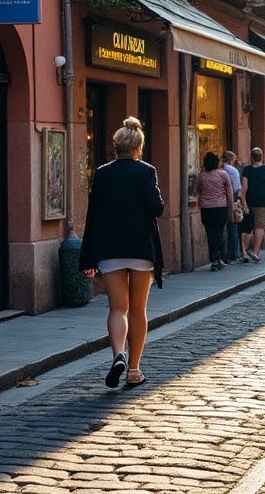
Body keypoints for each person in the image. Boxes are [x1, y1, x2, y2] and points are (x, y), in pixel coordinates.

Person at [79, 117, 163, 390]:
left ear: (115, 148)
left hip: (110, 249)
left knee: (118, 308)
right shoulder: (146, 171)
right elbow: (157, 208)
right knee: (138, 310)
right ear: (139, 147)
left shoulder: (102, 174)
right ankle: (135, 370)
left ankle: (118, 355)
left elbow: (92, 216)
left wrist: (88, 257)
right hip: (140, 248)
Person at [193, 151, 234, 271]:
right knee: (220, 233)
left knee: (210, 234)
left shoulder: (201, 176)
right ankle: (220, 257)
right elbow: (229, 192)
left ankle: (214, 259)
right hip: (221, 207)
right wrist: (231, 206)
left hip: (207, 209)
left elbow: (197, 190)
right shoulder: (223, 174)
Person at [241, 147, 265, 263]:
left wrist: (243, 202)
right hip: (263, 202)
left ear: (251, 157)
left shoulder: (247, 170)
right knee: (260, 227)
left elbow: (244, 187)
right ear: (262, 157)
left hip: (250, 201)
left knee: (247, 228)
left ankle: (244, 252)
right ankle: (255, 252)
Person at [221, 151, 246, 263]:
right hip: (232, 200)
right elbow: (237, 188)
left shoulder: (219, 169)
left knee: (220, 229)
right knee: (233, 227)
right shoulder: (232, 170)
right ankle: (233, 253)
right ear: (232, 159)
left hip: (218, 202)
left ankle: (222, 254)